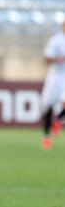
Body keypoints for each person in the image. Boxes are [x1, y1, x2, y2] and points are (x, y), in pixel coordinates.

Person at [40, 20, 65, 150]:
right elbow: (46, 59)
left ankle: (58, 120)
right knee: (48, 105)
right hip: (55, 77)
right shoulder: (56, 40)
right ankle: (46, 137)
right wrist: (59, 58)